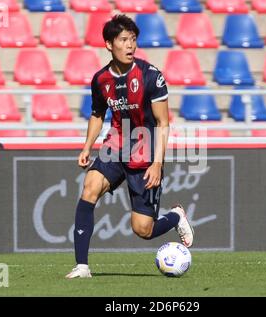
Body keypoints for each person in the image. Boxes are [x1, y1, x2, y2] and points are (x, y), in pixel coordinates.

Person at [66, 15, 194, 279]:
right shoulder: (100, 80)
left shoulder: (150, 77)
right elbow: (97, 114)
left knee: (143, 229)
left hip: (145, 156)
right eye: (123, 40)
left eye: (133, 40)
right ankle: (82, 267)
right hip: (115, 147)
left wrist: (157, 163)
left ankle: (176, 217)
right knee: (89, 188)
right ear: (108, 44)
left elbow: (163, 122)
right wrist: (87, 147)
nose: (130, 46)